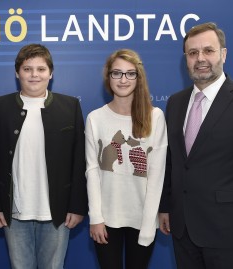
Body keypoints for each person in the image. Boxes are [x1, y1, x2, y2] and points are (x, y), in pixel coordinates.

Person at [158, 22, 233, 269]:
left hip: (230, 233)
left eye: (208, 50)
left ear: (223, 54)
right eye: (193, 53)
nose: (200, 58)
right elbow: (172, 161)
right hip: (183, 229)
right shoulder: (175, 102)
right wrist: (165, 207)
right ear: (186, 59)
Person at [0, 43, 88, 269]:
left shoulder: (70, 106)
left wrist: (77, 206)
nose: (34, 75)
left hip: (57, 213)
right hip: (14, 211)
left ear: (51, 73)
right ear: (17, 72)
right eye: (27, 69)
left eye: (41, 69)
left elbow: (79, 162)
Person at [85, 49, 168, 269]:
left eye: (130, 74)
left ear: (138, 78)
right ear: (108, 77)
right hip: (106, 219)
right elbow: (92, 171)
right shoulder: (95, 118)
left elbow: (157, 175)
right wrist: (95, 217)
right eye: (117, 73)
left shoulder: (155, 117)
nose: (123, 80)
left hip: (143, 219)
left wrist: (150, 223)